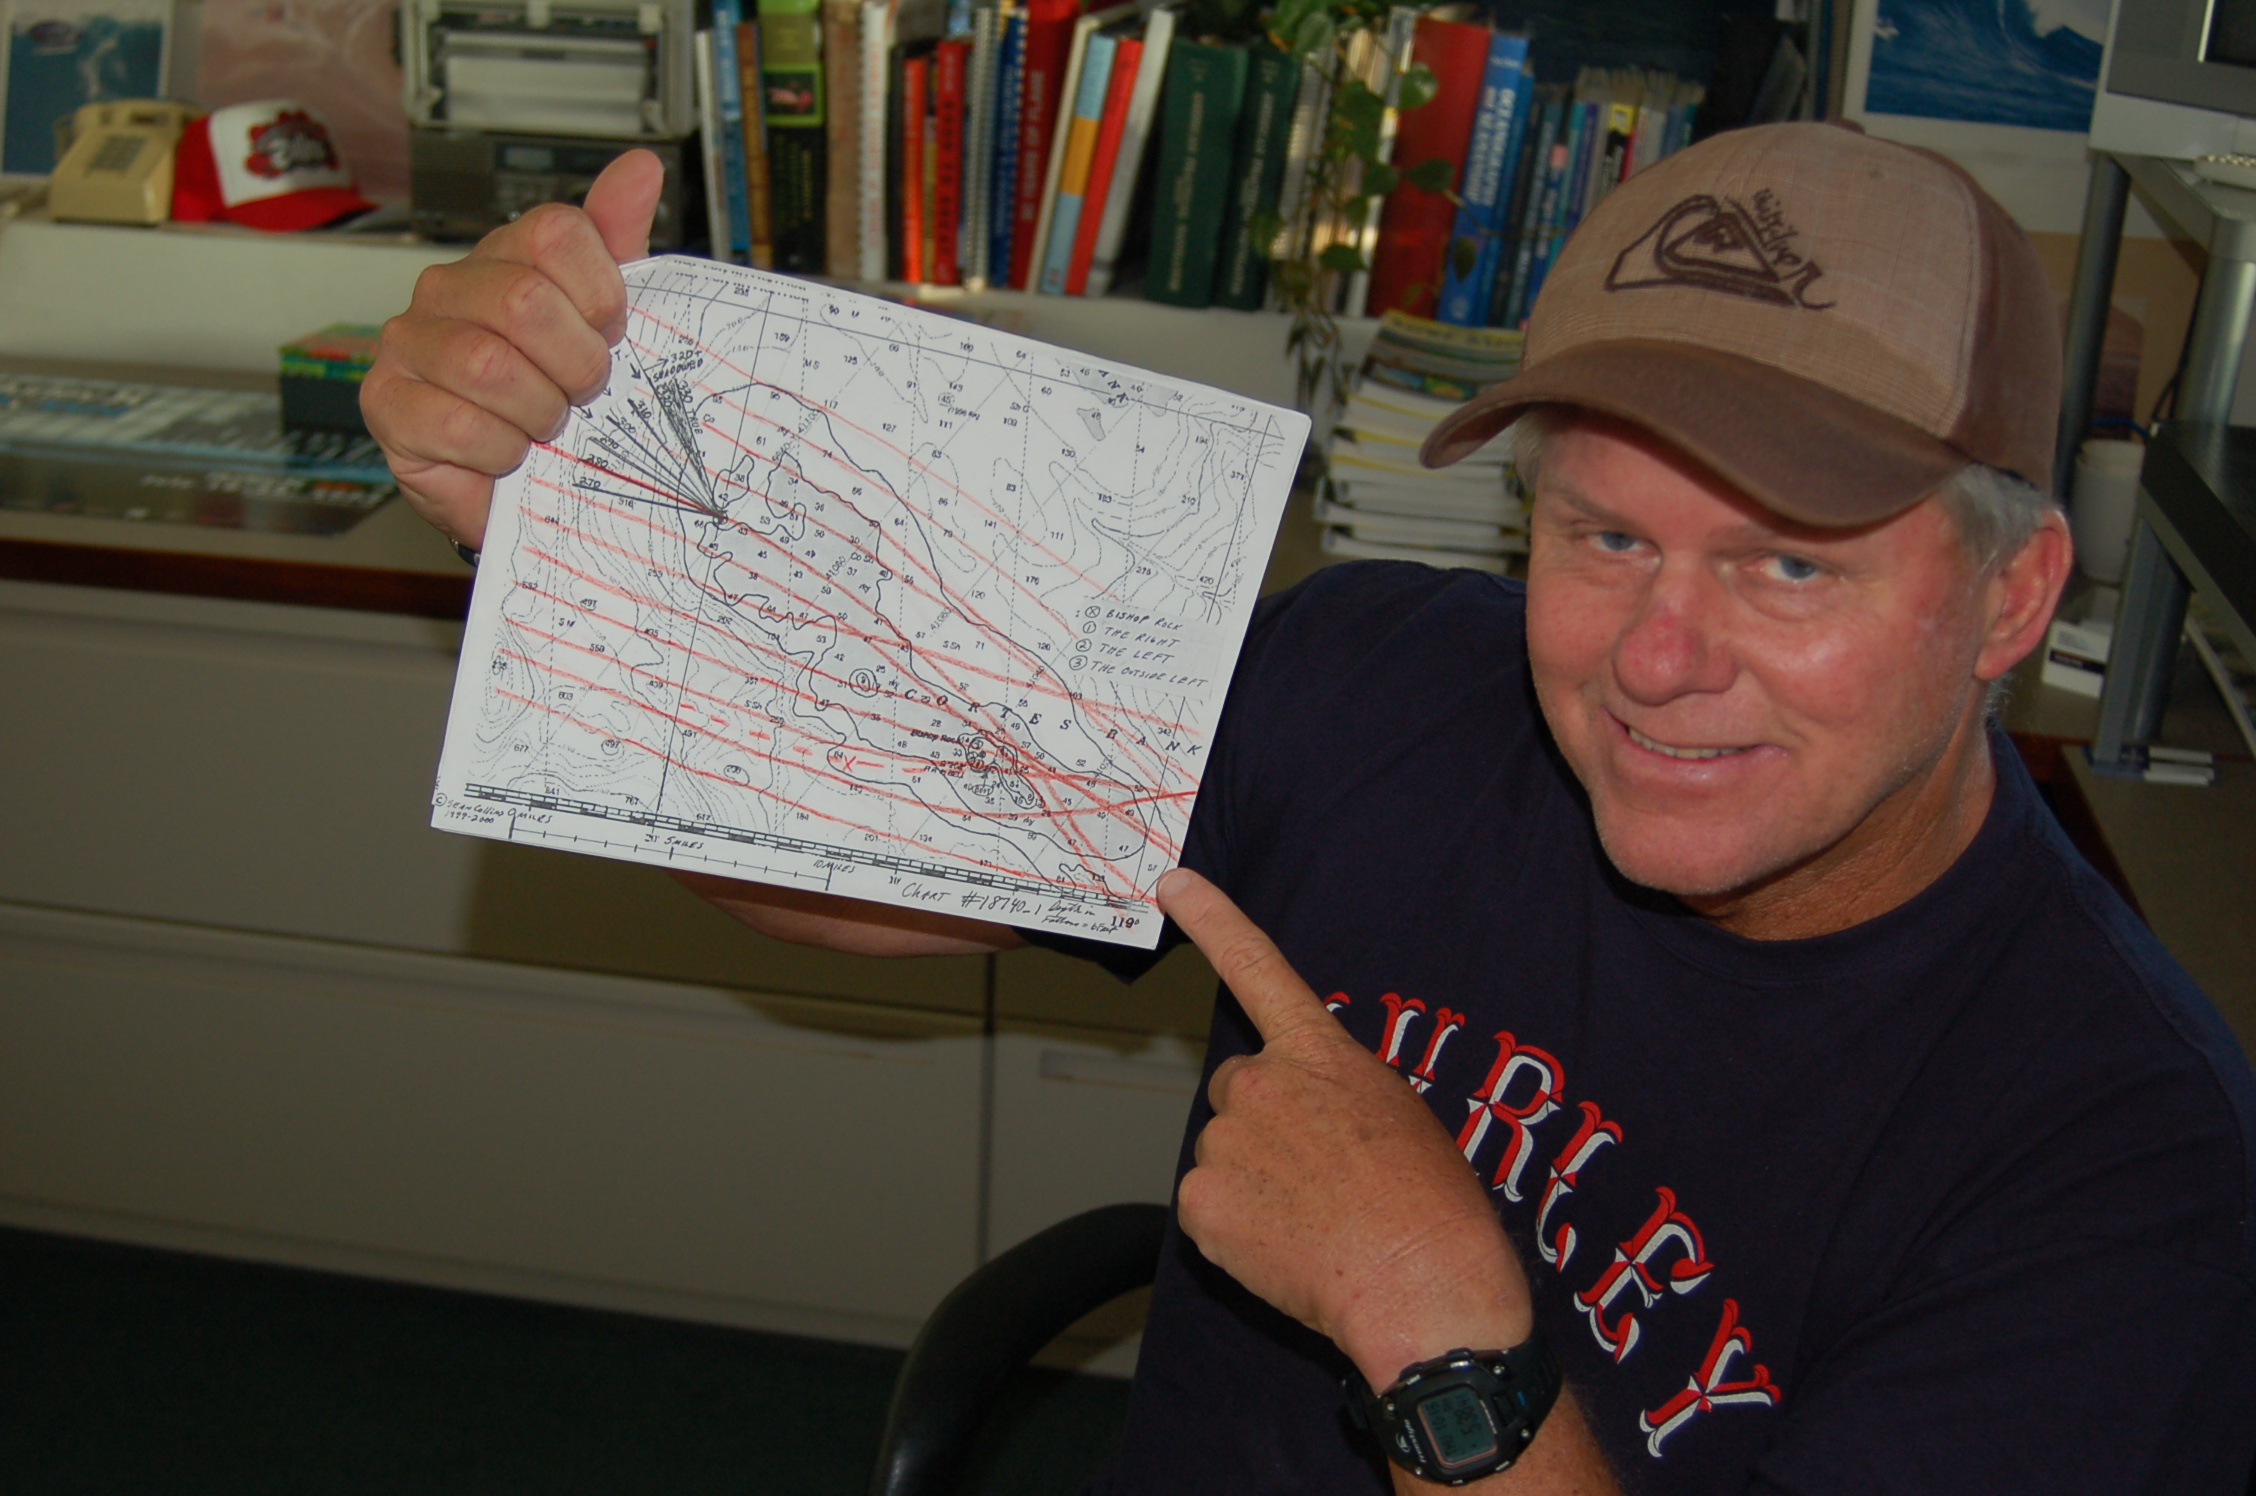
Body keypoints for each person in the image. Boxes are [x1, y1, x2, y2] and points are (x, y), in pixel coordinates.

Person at [362, 122, 2256, 1492]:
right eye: (1604, 535)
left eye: (1789, 570)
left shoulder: (2133, 1182)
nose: (1658, 661)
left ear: (2014, 599)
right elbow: (870, 868)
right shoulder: (1390, 681)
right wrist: (573, 532)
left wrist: (1439, 1331)